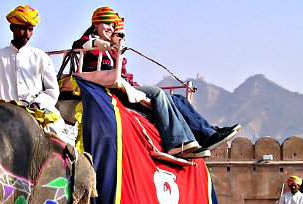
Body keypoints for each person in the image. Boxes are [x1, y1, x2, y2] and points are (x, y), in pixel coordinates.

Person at [74, 9, 239, 159]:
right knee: (158, 93)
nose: (110, 28)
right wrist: (98, 44)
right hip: (109, 88)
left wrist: (115, 47)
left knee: (178, 100)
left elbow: (125, 75)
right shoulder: (90, 44)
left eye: (113, 25)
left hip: (123, 85)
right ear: (95, 24)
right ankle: (176, 142)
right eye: (106, 23)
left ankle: (208, 133)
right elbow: (80, 44)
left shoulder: (113, 51)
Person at [0, 5, 74, 144]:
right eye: (23, 28)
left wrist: (37, 105)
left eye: (30, 29)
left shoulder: (41, 57)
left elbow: (52, 90)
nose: (26, 34)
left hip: (36, 114)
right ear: (12, 28)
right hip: (1, 115)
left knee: (60, 139)